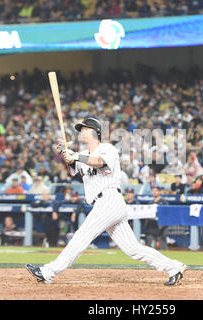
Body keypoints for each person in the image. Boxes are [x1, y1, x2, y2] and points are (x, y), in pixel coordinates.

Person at [25, 117, 186, 286]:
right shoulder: (84, 155)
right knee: (133, 249)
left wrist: (76, 155)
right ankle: (174, 267)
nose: (82, 132)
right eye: (81, 130)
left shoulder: (107, 148)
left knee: (82, 235)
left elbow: (100, 163)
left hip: (109, 199)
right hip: (105, 204)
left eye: (86, 129)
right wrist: (64, 153)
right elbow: (73, 166)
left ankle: (48, 272)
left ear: (96, 132)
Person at [145, 186, 170, 251]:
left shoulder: (164, 202)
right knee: (149, 244)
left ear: (159, 192)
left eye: (155, 191)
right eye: (153, 191)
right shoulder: (150, 202)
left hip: (161, 225)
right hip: (151, 225)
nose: (154, 192)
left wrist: (162, 224)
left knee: (162, 243)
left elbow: (166, 214)